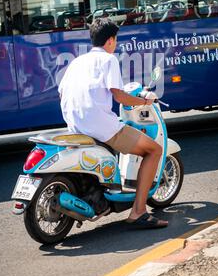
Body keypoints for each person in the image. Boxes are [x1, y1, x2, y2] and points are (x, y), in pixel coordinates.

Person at [58, 18, 168, 229]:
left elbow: (62, 92)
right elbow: (120, 97)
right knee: (154, 150)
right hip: (100, 127)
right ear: (110, 41)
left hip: (75, 126)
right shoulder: (109, 60)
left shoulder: (77, 62)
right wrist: (144, 101)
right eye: (115, 40)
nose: (115, 43)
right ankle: (138, 212)